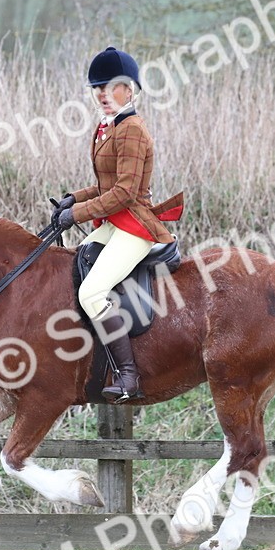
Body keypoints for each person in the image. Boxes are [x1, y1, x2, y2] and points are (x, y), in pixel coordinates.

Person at [54, 46, 176, 403]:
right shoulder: (106, 128)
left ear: (130, 89)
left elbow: (124, 192)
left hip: (135, 224)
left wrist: (76, 215)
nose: (101, 94)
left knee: (91, 293)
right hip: (115, 220)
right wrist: (73, 199)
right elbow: (106, 186)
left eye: (110, 86)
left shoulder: (132, 129)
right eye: (97, 88)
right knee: (76, 264)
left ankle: (128, 375)